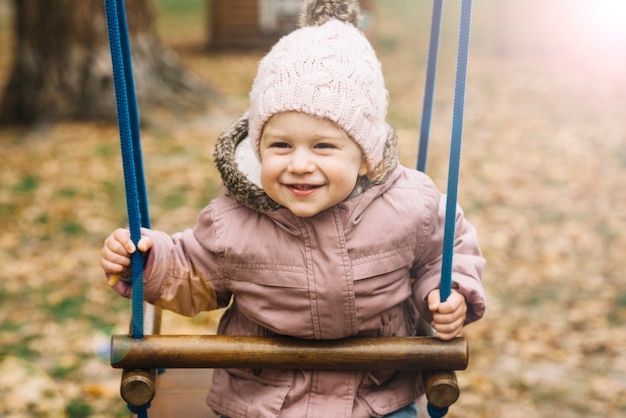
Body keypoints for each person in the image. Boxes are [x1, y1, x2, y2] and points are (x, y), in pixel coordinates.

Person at [101, 0, 486, 417]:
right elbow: (192, 273)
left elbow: (446, 250)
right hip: (261, 400)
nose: (299, 164)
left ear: (367, 155)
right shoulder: (233, 222)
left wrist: (448, 293)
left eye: (323, 146)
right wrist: (146, 260)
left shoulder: (411, 203)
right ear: (258, 147)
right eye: (280, 145)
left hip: (376, 397)